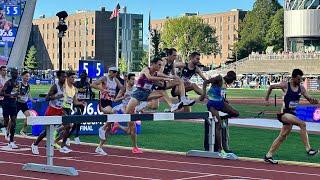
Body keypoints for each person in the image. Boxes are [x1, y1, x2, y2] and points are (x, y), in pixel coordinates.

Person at [123, 57, 178, 154]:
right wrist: (165, 78)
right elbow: (149, 78)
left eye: (161, 65)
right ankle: (132, 144)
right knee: (129, 118)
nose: (160, 67)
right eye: (159, 65)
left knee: (162, 91)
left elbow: (161, 80)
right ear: (153, 64)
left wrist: (169, 79)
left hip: (147, 94)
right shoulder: (146, 69)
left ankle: (172, 106)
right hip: (138, 94)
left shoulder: (156, 74)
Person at [264, 69, 319, 164]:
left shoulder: (301, 88)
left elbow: (309, 99)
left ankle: (268, 155)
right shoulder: (285, 85)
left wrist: (315, 101)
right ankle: (308, 149)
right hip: (284, 114)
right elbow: (271, 87)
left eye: (301, 79)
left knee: (283, 136)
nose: (300, 81)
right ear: (293, 78)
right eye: (298, 79)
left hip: (292, 114)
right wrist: (266, 99)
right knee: (302, 124)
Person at [200, 71, 239, 154]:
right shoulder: (219, 78)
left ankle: (221, 117)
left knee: (236, 113)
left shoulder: (225, 84)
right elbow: (205, 82)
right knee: (219, 126)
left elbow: (221, 94)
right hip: (212, 105)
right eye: (232, 81)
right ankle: (220, 148)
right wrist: (203, 94)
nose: (232, 83)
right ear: (231, 78)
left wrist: (225, 100)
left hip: (221, 103)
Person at [31, 71, 66, 155]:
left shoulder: (65, 86)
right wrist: (56, 96)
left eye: (65, 77)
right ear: (58, 77)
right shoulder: (55, 87)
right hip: (52, 110)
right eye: (62, 77)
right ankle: (35, 144)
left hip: (60, 109)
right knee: (47, 131)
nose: (64, 78)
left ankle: (56, 142)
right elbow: (46, 98)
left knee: (69, 124)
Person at [91, 67, 124, 155]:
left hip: (110, 102)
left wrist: (122, 93)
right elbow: (92, 84)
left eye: (116, 72)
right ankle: (102, 128)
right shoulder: (104, 78)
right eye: (114, 72)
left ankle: (99, 147)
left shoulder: (116, 80)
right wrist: (102, 89)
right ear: (109, 72)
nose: (115, 74)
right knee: (114, 113)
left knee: (109, 128)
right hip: (103, 102)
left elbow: (122, 87)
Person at [55, 71, 86, 153]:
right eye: (72, 77)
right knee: (69, 125)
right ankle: (61, 144)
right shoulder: (64, 86)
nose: (73, 79)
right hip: (61, 108)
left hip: (68, 109)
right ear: (67, 78)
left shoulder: (74, 89)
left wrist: (81, 103)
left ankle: (56, 140)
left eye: (74, 77)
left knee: (68, 127)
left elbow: (75, 102)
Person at [67, 71, 93, 144]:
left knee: (79, 121)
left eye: (84, 76)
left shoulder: (87, 84)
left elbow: (91, 93)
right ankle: (69, 136)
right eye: (82, 76)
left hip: (82, 104)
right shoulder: (76, 84)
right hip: (76, 103)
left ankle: (75, 136)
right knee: (77, 120)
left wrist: (91, 94)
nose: (83, 77)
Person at [1, 68, 19, 148]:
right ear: (11, 74)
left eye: (17, 73)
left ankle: (11, 141)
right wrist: (10, 95)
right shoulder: (8, 83)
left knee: (14, 122)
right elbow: (1, 93)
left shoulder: (17, 83)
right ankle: (3, 128)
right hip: (6, 104)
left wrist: (18, 94)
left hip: (13, 104)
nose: (16, 74)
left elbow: (15, 92)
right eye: (14, 73)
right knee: (6, 123)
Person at [18, 71, 37, 136]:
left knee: (28, 116)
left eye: (28, 76)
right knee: (13, 118)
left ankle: (23, 130)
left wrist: (32, 100)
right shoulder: (19, 84)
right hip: (17, 103)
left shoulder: (28, 85)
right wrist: (19, 95)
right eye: (26, 76)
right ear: (22, 76)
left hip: (24, 103)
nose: (27, 77)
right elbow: (14, 93)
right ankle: (7, 130)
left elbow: (29, 94)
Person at [0, 65, 8, 137]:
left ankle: (4, 128)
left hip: (4, 99)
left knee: (5, 114)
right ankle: (2, 127)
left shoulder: (7, 79)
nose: (5, 72)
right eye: (3, 70)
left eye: (6, 70)